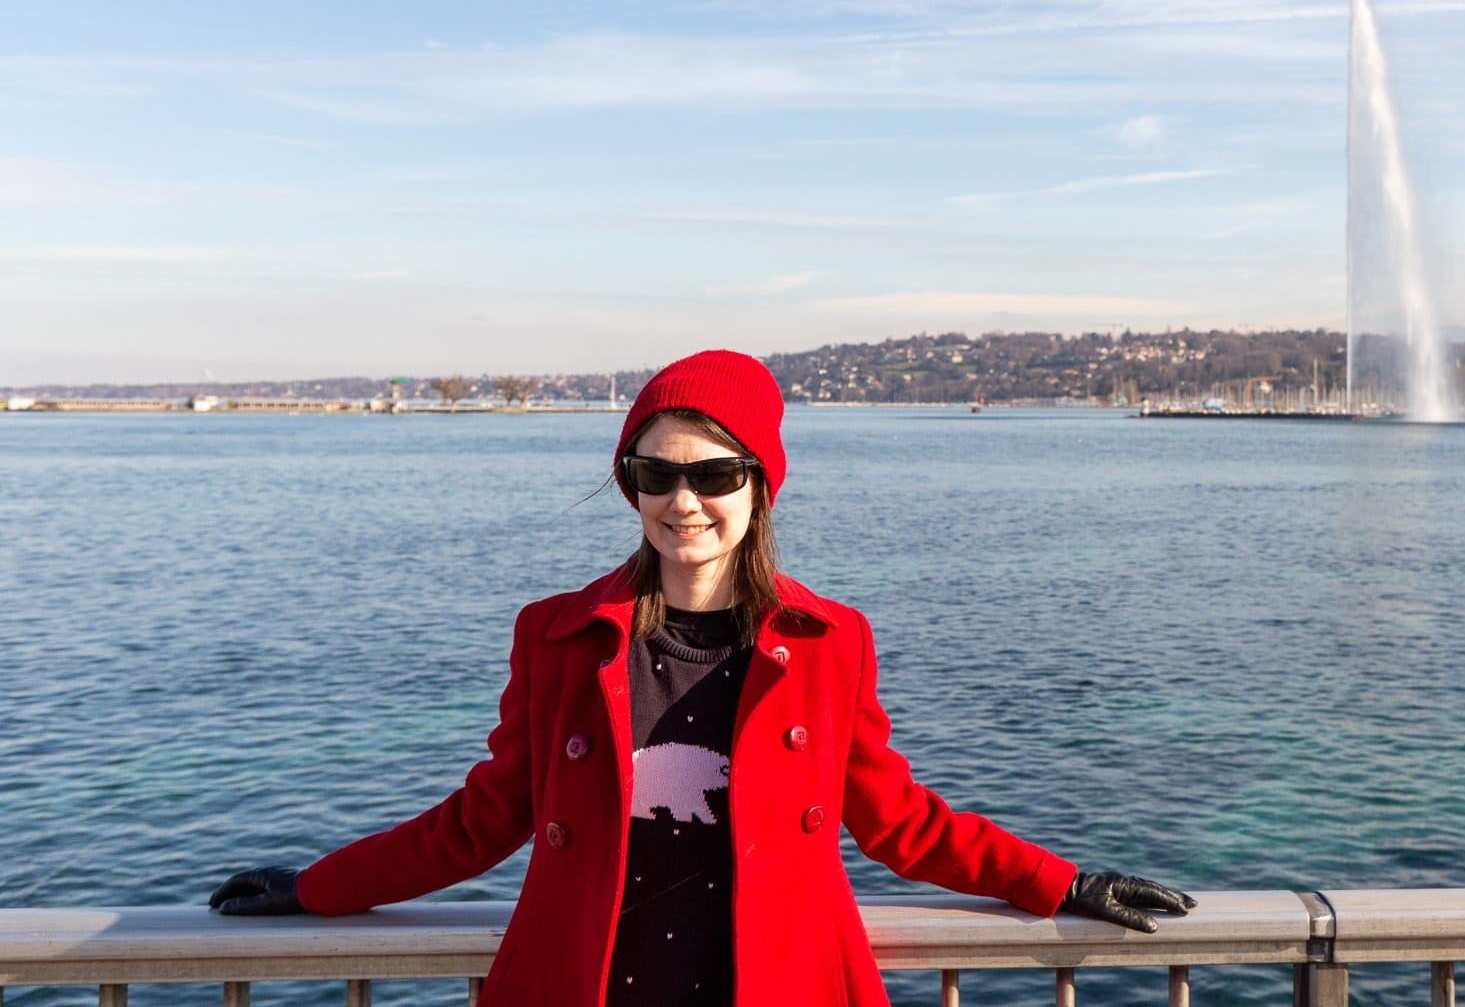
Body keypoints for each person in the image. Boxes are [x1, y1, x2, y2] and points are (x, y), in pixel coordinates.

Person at [210, 348, 1193, 1005]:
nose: (683, 501)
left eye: (715, 474)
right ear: (629, 480)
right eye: (654, 473)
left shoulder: (826, 642)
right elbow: (480, 819)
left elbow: (900, 823)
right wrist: (318, 888)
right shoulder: (555, 637)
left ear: (759, 485)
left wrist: (1063, 880)